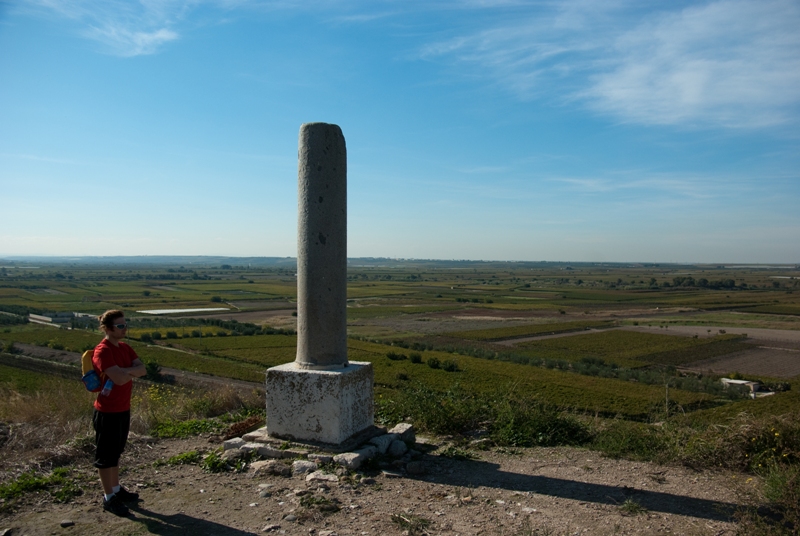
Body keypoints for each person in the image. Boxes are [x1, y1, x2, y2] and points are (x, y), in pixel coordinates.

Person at [92, 309, 146, 516]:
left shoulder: (124, 348)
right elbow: (121, 379)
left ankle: (115, 490)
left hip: (123, 408)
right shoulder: (103, 351)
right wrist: (128, 372)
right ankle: (108, 497)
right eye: (120, 326)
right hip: (107, 411)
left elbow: (143, 369)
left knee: (115, 452)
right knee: (106, 456)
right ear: (107, 329)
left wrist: (124, 371)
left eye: (125, 325)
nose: (125, 329)